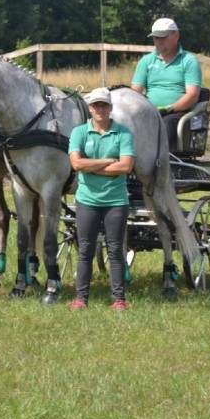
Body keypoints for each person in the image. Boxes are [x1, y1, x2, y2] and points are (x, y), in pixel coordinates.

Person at [68, 87, 135, 310]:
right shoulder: (79, 132)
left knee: (115, 250)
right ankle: (81, 299)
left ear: (110, 108)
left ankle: (119, 299)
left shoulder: (123, 133)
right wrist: (108, 162)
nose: (100, 109)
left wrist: (92, 167)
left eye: (104, 105)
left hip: (115, 201)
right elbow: (76, 164)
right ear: (90, 108)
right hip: (87, 200)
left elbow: (126, 166)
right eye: (96, 105)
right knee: (85, 250)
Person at [130, 18, 202, 150]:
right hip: (149, 111)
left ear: (176, 35)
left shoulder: (189, 61)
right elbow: (135, 92)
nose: (158, 41)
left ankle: (161, 164)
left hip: (177, 114)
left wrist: (168, 108)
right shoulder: (146, 61)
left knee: (166, 123)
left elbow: (192, 95)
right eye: (155, 38)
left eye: (162, 37)